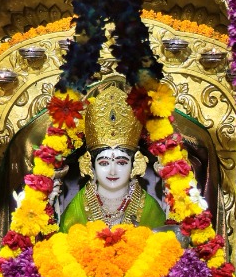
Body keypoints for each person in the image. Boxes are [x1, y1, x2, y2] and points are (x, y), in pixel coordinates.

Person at [60, 76, 166, 231]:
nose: (112, 171)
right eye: (104, 163)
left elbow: (163, 242)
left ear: (135, 164)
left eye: (121, 162)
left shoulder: (148, 207)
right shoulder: (79, 206)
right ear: (90, 165)